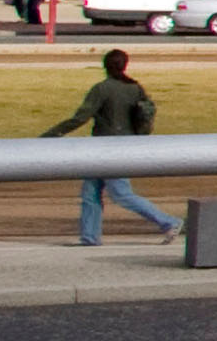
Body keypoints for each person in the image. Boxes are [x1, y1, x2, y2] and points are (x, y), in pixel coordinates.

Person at [46, 50, 174, 244]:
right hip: (124, 146)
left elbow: (80, 118)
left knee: (121, 194)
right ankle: (89, 237)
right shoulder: (135, 88)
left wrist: (51, 135)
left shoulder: (102, 88)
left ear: (104, 65)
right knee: (91, 193)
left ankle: (168, 222)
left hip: (105, 149)